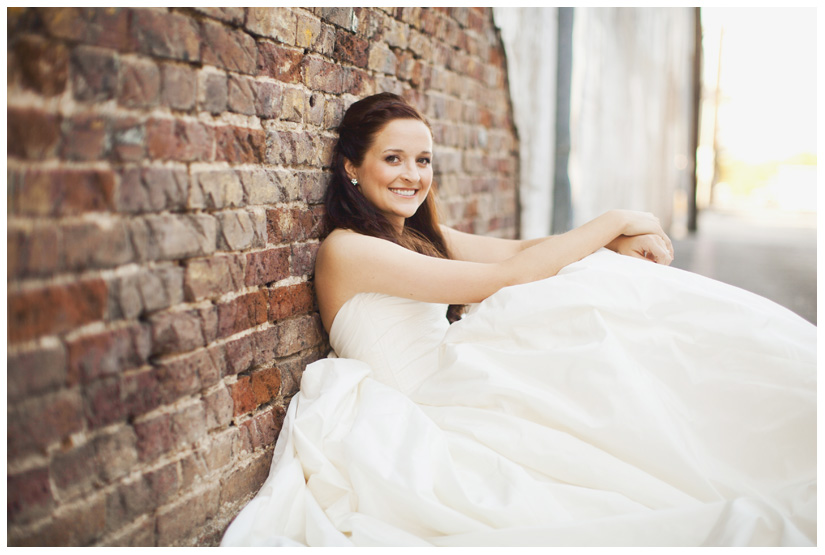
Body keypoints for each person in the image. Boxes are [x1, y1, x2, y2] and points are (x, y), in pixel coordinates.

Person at [221, 93, 816, 547]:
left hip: (456, 377)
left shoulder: (418, 236)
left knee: (596, 299)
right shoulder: (348, 250)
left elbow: (518, 251)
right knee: (573, 312)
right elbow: (506, 279)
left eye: (423, 160)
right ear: (352, 167)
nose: (411, 174)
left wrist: (610, 248)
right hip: (419, 407)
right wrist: (612, 219)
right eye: (393, 159)